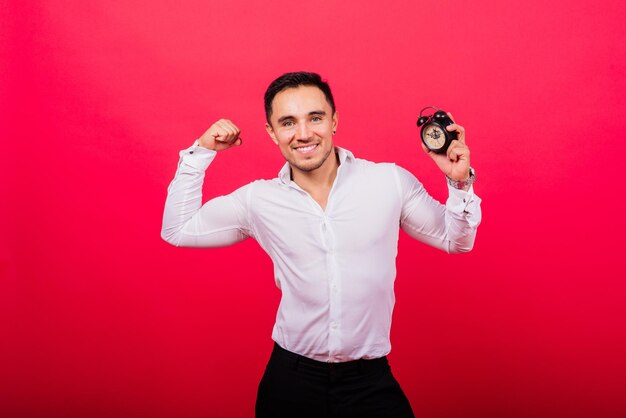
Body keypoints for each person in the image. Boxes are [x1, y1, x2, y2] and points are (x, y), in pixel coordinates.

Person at [161, 71, 482, 418]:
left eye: (315, 118)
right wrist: (202, 152)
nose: (303, 134)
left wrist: (458, 182)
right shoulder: (258, 199)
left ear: (334, 121)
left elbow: (456, 240)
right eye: (287, 122)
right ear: (272, 132)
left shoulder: (389, 181)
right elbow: (178, 229)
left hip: (370, 382)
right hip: (291, 383)